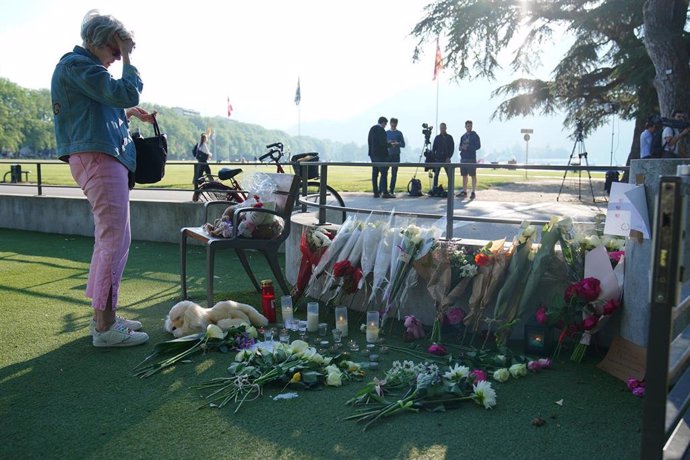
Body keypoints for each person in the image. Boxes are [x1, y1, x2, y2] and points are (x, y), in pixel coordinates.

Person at [51, 9, 154, 347]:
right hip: (100, 159)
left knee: (110, 240)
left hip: (98, 157)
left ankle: (104, 318)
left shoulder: (81, 69)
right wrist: (128, 57)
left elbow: (96, 112)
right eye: (114, 50)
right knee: (114, 240)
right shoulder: (78, 66)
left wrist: (124, 114)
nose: (115, 58)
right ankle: (106, 327)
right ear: (101, 42)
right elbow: (125, 91)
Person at [368, 116, 393, 198]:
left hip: (372, 154)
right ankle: (385, 192)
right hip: (380, 155)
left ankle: (376, 192)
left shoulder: (372, 129)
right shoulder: (381, 130)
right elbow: (382, 143)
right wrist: (390, 144)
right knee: (384, 172)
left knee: (375, 173)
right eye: (385, 124)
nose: (385, 126)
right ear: (383, 122)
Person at [457, 120, 481, 199]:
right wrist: (461, 148)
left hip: (471, 158)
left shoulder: (475, 135)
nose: (469, 127)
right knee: (464, 175)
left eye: (470, 126)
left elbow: (478, 146)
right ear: (465, 127)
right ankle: (464, 191)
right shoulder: (463, 137)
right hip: (463, 158)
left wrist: (469, 147)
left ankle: (473, 192)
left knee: (473, 175)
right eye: (468, 126)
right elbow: (459, 147)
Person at [430, 122, 454, 196]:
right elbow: (434, 149)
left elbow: (452, 149)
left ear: (446, 128)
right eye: (441, 128)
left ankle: (451, 190)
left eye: (443, 128)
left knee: (449, 175)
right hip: (438, 159)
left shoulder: (449, 137)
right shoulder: (437, 138)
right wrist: (434, 157)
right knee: (436, 174)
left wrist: (449, 157)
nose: (442, 129)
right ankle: (434, 189)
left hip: (446, 159)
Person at [386, 117, 405, 196]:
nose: (393, 125)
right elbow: (383, 143)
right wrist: (388, 142)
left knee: (394, 173)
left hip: (396, 155)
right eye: (392, 123)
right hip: (387, 155)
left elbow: (403, 144)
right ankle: (383, 190)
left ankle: (391, 189)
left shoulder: (399, 133)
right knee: (384, 173)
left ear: (397, 124)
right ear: (390, 123)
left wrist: (397, 143)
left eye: (395, 124)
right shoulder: (386, 133)